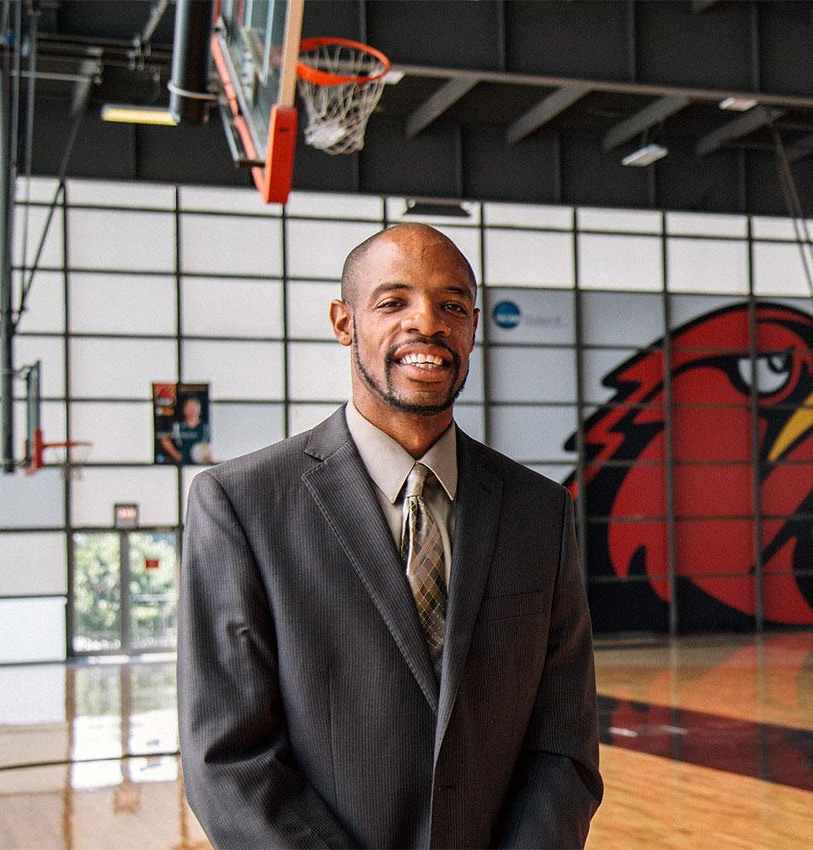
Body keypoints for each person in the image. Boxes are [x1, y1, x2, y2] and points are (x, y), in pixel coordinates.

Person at [178, 223, 602, 849]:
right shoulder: (241, 504)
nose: (427, 323)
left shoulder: (538, 510)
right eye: (393, 301)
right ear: (343, 322)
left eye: (452, 305)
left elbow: (563, 742)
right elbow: (227, 759)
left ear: (475, 327)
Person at [159, 395, 213, 464]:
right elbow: (164, 439)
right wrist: (176, 455)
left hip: (201, 465)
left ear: (200, 409)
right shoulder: (177, 427)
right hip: (183, 464)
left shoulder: (206, 428)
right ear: (184, 409)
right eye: (189, 406)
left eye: (194, 406)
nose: (192, 409)